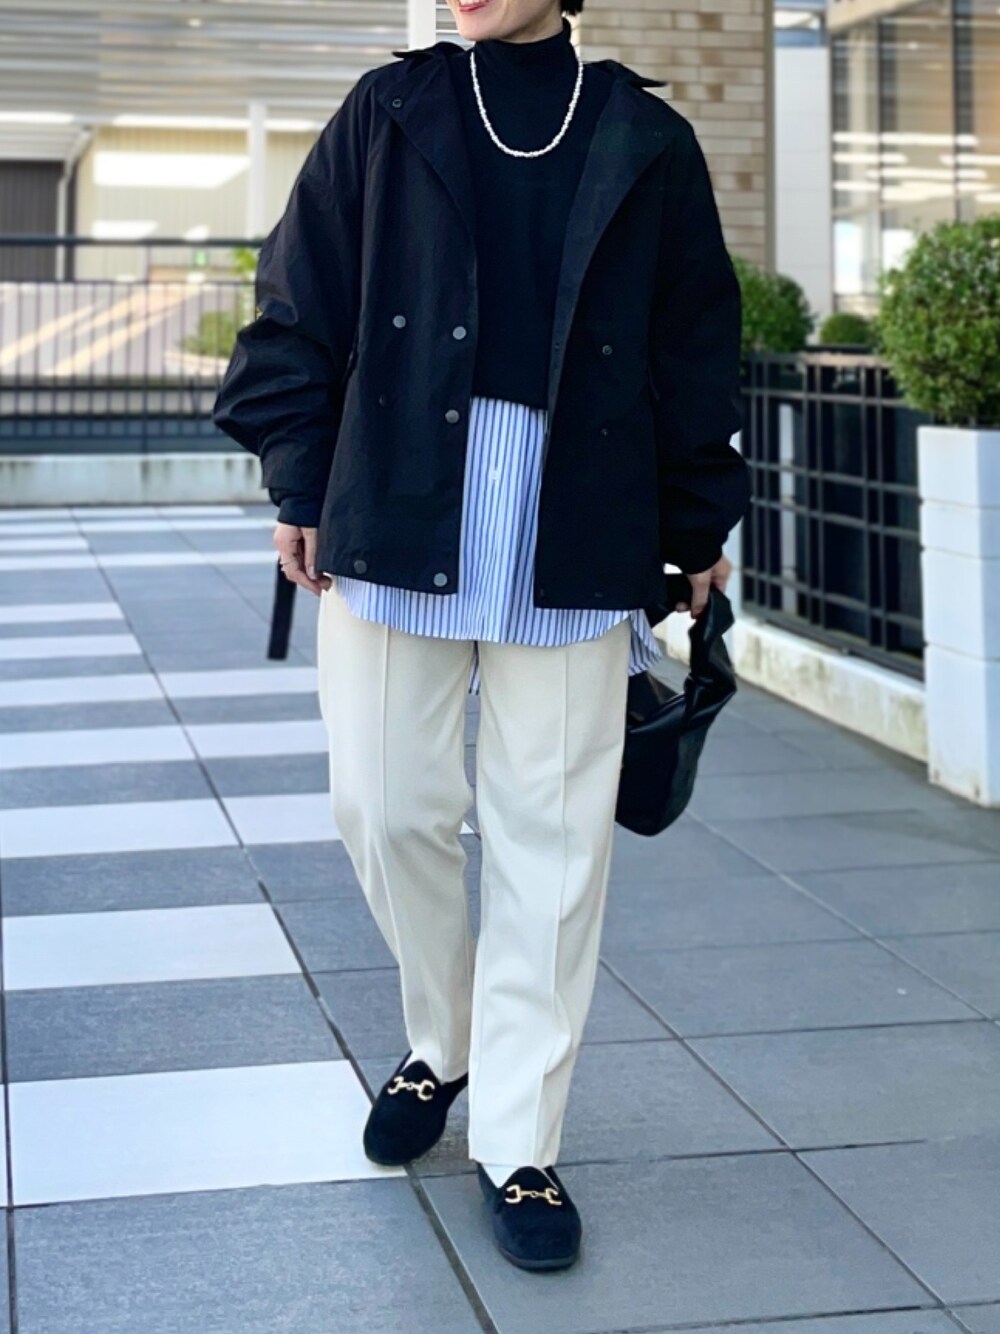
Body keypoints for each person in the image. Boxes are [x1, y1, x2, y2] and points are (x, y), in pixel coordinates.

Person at [213, 0, 749, 1273]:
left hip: (580, 510)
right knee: (383, 802)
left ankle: (519, 1138)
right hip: (399, 488)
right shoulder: (390, 109)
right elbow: (300, 295)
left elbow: (694, 343)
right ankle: (442, 1036)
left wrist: (693, 524)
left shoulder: (643, 135)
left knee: (550, 840)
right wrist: (298, 478)